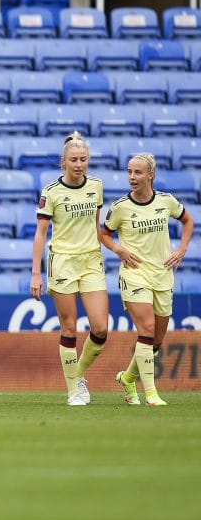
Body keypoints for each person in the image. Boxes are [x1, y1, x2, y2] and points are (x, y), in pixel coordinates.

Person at [100, 153, 193, 407]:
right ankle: (151, 393)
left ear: (151, 175)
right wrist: (118, 250)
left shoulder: (166, 201)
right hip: (134, 274)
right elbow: (104, 234)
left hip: (162, 274)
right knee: (148, 330)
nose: (132, 177)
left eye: (138, 172)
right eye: (129, 172)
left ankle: (128, 378)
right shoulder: (120, 207)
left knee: (157, 339)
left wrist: (182, 249)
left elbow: (187, 221)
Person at [30, 132, 109, 407]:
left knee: (100, 327)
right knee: (70, 327)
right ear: (63, 161)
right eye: (74, 159)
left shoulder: (96, 186)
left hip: (90, 261)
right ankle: (74, 390)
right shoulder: (51, 192)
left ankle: (78, 375)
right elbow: (40, 234)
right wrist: (36, 273)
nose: (79, 164)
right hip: (62, 261)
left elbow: (97, 225)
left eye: (83, 159)